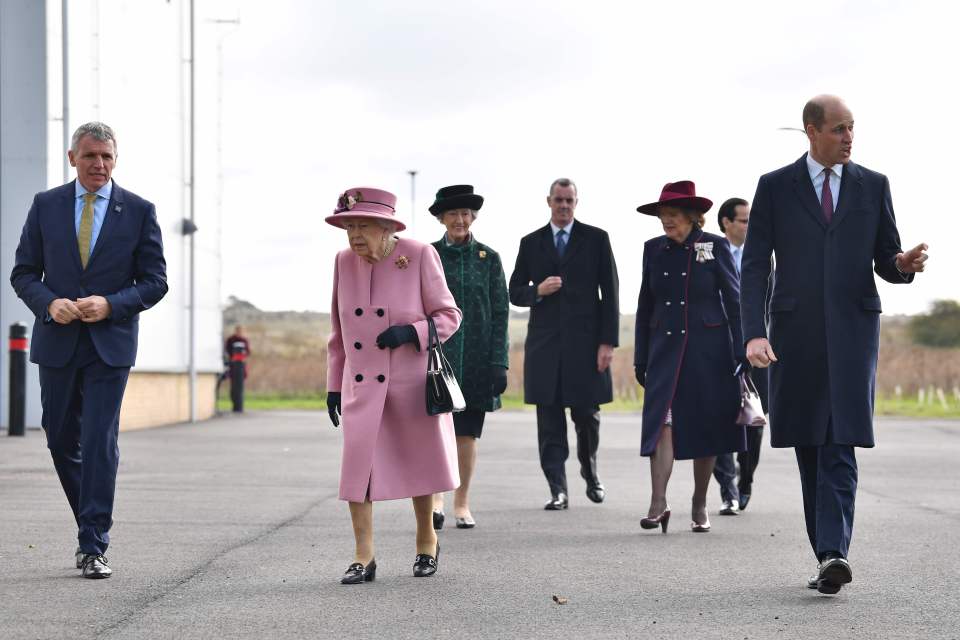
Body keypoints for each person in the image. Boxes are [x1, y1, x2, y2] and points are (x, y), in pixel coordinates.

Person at [740, 95, 928, 594]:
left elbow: (886, 256)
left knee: (840, 439)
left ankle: (834, 552)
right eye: (839, 129)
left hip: (852, 333)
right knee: (809, 441)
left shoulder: (874, 185)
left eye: (852, 128)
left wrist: (901, 265)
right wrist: (753, 332)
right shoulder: (775, 188)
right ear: (811, 131)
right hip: (793, 334)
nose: (849, 137)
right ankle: (826, 549)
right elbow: (756, 264)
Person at [10, 122, 168, 578]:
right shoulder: (45, 206)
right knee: (60, 438)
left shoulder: (138, 211)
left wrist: (111, 304)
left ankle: (93, 542)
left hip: (109, 345)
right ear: (72, 157)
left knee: (100, 440)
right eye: (91, 156)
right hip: (57, 341)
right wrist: (48, 303)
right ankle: (89, 521)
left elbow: (155, 281)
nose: (99, 165)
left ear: (115, 160)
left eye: (107, 158)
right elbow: (23, 273)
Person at [324, 187, 462, 583]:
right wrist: (334, 384)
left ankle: (426, 542)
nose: (354, 234)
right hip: (362, 385)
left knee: (419, 465)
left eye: (363, 225)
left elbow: (450, 316)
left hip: (411, 383)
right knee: (357, 471)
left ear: (386, 228)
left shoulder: (418, 255)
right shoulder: (343, 262)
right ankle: (363, 555)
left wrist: (411, 332)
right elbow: (337, 333)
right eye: (348, 226)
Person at [634, 181, 746, 533]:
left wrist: (743, 349)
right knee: (661, 425)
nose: (666, 222)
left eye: (673, 216)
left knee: (706, 428)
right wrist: (641, 356)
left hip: (709, 353)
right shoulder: (653, 249)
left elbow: (734, 299)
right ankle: (658, 503)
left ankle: (699, 502)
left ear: (692, 217)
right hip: (664, 352)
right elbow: (644, 305)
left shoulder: (713, 246)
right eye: (663, 216)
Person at [508, 178, 619, 510]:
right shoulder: (531, 242)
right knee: (549, 420)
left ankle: (590, 470)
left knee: (587, 416)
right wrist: (537, 291)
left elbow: (611, 293)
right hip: (545, 348)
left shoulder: (597, 239)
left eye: (569, 200)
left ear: (576, 202)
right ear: (548, 201)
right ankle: (558, 488)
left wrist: (607, 343)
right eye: (558, 200)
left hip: (586, 347)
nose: (564, 205)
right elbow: (514, 290)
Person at [428, 185, 509, 530]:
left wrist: (499, 361)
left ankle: (461, 502)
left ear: (473, 217)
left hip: (477, 359)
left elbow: (502, 312)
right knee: (433, 431)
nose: (459, 220)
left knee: (466, 434)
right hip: (436, 358)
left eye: (465, 214)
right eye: (452, 214)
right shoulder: (427, 255)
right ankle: (436, 499)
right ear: (442, 218)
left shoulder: (488, 259)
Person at [712, 197, 769, 514]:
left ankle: (745, 480)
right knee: (721, 420)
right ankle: (728, 489)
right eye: (745, 220)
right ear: (726, 223)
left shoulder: (764, 258)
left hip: (758, 351)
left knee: (754, 423)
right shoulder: (711, 253)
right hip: (719, 349)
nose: (750, 225)